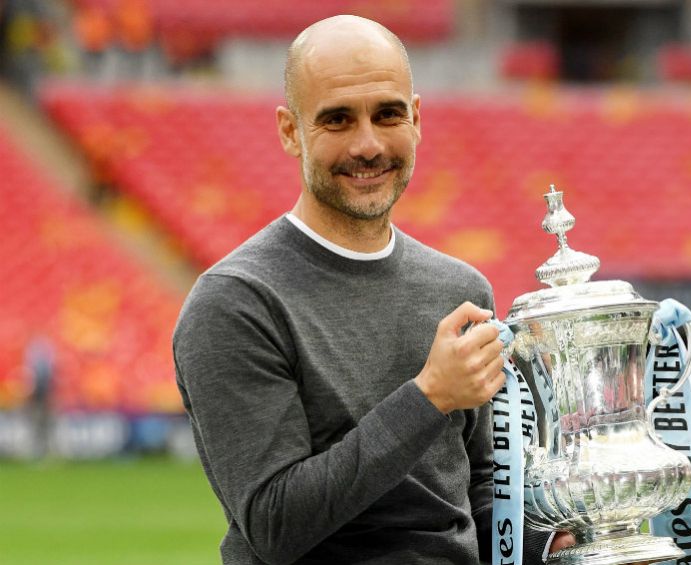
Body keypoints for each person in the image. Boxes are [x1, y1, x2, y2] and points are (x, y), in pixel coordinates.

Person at [173, 16, 566, 565]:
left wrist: (551, 545)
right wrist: (428, 398)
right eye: (337, 120)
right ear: (290, 131)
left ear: (417, 118)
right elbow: (274, 524)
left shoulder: (459, 288)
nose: (368, 145)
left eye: (388, 114)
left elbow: (479, 492)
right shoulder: (236, 301)